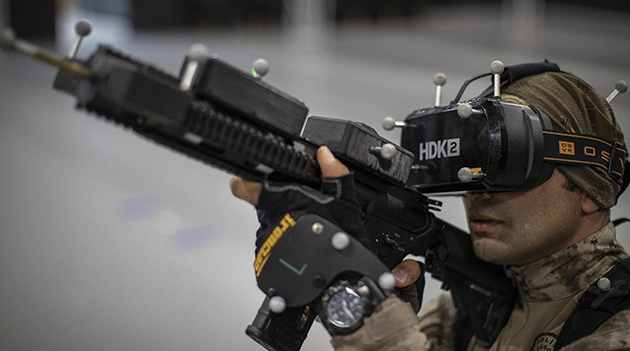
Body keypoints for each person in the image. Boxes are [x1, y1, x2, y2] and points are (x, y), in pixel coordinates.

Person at [230, 69, 630, 350]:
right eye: (469, 171)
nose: (478, 194)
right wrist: (361, 293)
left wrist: (376, 326)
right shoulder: (463, 313)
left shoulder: (618, 325)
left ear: (590, 191)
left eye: (506, 166)